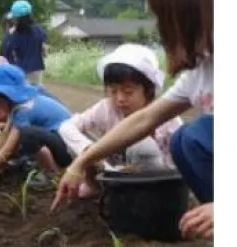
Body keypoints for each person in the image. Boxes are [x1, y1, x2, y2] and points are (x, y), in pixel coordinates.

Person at [51, 0, 214, 244]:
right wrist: (81, 162)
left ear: (194, 10)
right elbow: (145, 119)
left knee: (192, 136)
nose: (164, 27)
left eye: (167, 15)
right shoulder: (202, 70)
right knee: (188, 141)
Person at [57, 43, 184, 198]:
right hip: (114, 170)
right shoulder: (106, 108)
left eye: (128, 92)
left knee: (142, 146)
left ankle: (141, 195)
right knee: (81, 145)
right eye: (113, 91)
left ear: (149, 90)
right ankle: (95, 186)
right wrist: (88, 151)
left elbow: (179, 164)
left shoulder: (166, 117)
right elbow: (67, 127)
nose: (120, 99)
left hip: (156, 180)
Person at [0, 64, 74, 182]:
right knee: (23, 142)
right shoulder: (19, 105)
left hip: (67, 147)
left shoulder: (22, 110)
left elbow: (8, 147)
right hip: (60, 141)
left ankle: (53, 173)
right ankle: (49, 167)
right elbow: (2, 139)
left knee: (26, 136)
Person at [5, 0, 48, 85]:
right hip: (37, 68)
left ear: (16, 18)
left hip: (21, 69)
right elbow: (43, 43)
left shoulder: (15, 34)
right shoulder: (38, 29)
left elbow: (10, 50)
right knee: (36, 92)